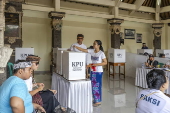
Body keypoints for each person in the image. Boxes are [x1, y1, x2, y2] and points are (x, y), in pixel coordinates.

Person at [73, 40, 107, 107]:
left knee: (97, 86)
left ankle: (98, 101)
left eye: (95, 44)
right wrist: (76, 47)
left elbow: (105, 62)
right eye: (93, 43)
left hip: (98, 72)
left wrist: (95, 64)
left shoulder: (101, 53)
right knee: (93, 86)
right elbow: (83, 50)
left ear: (98, 45)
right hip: (93, 71)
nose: (94, 45)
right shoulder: (92, 51)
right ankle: (95, 99)